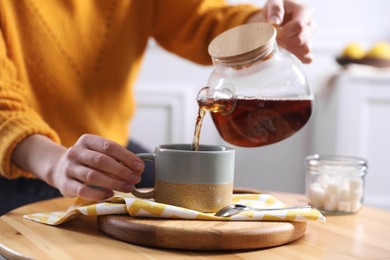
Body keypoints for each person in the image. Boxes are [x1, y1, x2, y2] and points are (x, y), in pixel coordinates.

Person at [0, 0, 315, 215]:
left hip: (109, 158)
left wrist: (264, 27)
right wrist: (56, 163)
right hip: (19, 165)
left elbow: (200, 19)